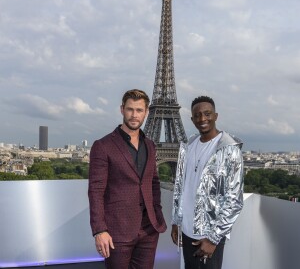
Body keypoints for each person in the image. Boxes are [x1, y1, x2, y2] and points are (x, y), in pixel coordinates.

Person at [88, 89, 167, 269]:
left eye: (139, 110)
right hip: (117, 230)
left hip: (148, 229)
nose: (134, 115)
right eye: (130, 109)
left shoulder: (150, 145)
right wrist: (100, 230)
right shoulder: (103, 146)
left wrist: (157, 211)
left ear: (146, 112)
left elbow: (153, 182)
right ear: (122, 109)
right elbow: (96, 191)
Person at [171, 95, 244, 269]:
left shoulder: (229, 149)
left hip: (208, 236)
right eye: (197, 115)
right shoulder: (187, 146)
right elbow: (181, 187)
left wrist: (213, 238)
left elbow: (234, 201)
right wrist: (176, 221)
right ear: (192, 119)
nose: (202, 119)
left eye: (207, 114)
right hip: (186, 232)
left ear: (215, 116)